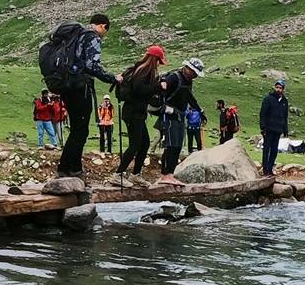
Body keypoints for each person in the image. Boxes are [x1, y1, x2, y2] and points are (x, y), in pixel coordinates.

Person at [55, 14, 118, 178]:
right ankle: (68, 168)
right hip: (80, 87)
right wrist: (113, 78)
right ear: (103, 26)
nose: (104, 35)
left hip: (67, 86)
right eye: (105, 31)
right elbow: (92, 66)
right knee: (81, 130)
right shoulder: (92, 37)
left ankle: (70, 168)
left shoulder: (77, 35)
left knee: (77, 128)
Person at [115, 46, 165, 181]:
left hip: (136, 112)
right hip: (133, 113)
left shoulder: (140, 68)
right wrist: (158, 87)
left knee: (144, 144)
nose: (159, 65)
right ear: (154, 60)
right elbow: (139, 89)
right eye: (159, 61)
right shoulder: (145, 70)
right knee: (135, 145)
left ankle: (135, 175)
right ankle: (118, 175)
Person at [154, 58, 206, 183]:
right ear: (187, 68)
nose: (194, 76)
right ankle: (164, 175)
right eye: (193, 72)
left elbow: (190, 97)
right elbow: (161, 88)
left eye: (195, 74)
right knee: (170, 145)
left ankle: (170, 174)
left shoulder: (188, 82)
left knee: (177, 146)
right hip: (169, 115)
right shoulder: (174, 77)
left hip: (180, 115)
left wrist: (200, 111)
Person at [259, 78, 290, 177]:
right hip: (268, 129)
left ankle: (270, 168)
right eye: (277, 87)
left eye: (280, 88)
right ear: (274, 88)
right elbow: (263, 114)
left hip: (278, 129)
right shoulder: (268, 99)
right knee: (266, 149)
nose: (278, 89)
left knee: (274, 150)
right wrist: (263, 127)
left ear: (283, 89)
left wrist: (285, 130)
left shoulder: (284, 101)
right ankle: (265, 170)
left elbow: (285, 116)